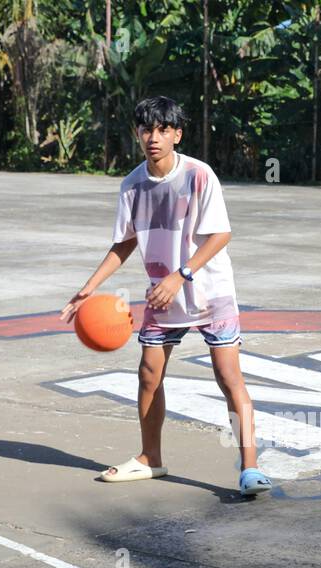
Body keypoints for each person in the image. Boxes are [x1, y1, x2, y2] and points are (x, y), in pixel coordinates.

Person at [59, 95, 270, 496]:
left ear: (176, 134)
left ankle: (250, 468)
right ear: (137, 134)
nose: (153, 137)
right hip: (162, 296)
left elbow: (220, 234)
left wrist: (182, 274)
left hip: (210, 292)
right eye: (146, 130)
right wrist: (88, 287)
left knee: (229, 377)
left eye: (162, 130)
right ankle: (150, 459)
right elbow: (125, 243)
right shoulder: (132, 185)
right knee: (148, 375)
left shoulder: (198, 175)